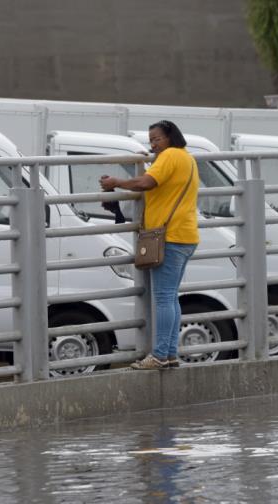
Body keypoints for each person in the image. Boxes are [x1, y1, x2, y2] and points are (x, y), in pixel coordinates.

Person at [100, 120, 199, 370]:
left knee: (164, 298)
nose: (153, 144)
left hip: (169, 237)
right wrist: (149, 161)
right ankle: (170, 354)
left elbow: (146, 183)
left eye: (157, 139)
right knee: (171, 297)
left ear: (170, 138)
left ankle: (159, 356)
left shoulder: (169, 156)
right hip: (185, 235)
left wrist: (116, 182)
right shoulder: (186, 157)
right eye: (151, 140)